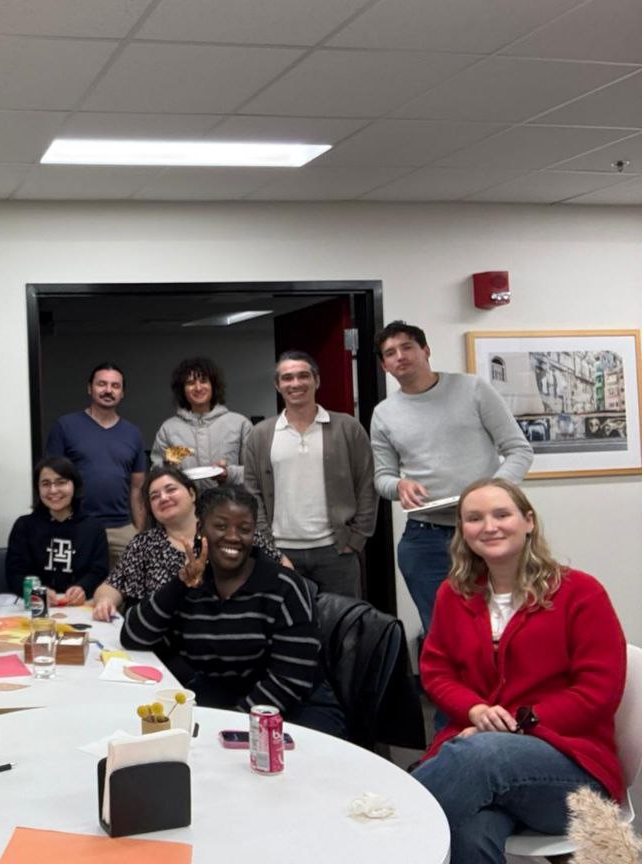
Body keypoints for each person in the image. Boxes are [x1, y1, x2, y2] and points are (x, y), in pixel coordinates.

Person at [411, 479, 626, 864]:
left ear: (528, 521)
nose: (489, 526)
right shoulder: (453, 594)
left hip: (572, 771)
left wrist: (515, 724)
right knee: (470, 832)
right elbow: (438, 671)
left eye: (501, 514)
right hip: (480, 761)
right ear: (463, 532)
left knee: (480, 754)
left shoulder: (581, 592)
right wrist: (476, 710)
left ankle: (381, 831)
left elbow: (599, 691)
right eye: (474, 518)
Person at [121, 485, 345, 736]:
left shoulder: (284, 587)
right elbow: (133, 636)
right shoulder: (192, 586)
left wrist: (234, 728)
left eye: (244, 529)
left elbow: (289, 680)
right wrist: (180, 583)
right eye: (220, 526)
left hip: (294, 709)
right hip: (221, 702)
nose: (233, 536)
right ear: (200, 530)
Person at [370, 320, 533, 636]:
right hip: (425, 538)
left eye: (407, 347)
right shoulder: (384, 413)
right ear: (384, 365)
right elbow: (383, 478)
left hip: (487, 532)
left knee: (503, 627)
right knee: (445, 634)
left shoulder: (472, 389)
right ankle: (451, 688)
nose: (400, 356)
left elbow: (519, 451)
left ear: (425, 351)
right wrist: (400, 485)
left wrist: (492, 494)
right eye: (390, 353)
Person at [242, 350, 377, 598]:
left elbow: (367, 484)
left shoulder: (347, 428)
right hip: (281, 552)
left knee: (344, 629)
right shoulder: (261, 435)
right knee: (288, 629)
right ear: (277, 384)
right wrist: (267, 546)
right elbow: (252, 494)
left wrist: (356, 539)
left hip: (336, 552)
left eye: (303, 376)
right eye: (287, 378)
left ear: (316, 380)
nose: (295, 384)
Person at [90, 465, 284, 622]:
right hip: (161, 644)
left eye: (171, 489)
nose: (163, 498)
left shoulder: (232, 533)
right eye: (154, 497)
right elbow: (112, 586)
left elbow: (283, 569)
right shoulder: (144, 544)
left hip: (234, 635)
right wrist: (105, 602)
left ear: (192, 494)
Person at [45, 363, 148, 568]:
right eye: (102, 384)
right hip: (76, 525)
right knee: (77, 589)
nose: (108, 390)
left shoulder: (133, 434)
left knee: (132, 589)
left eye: (115, 386)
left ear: (122, 393)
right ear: (90, 388)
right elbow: (50, 482)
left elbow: (137, 489)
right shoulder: (65, 427)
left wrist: (138, 533)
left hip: (121, 527)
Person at [5, 456, 109, 607]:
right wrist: (36, 591)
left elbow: (99, 571)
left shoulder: (94, 528)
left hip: (80, 606)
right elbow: (14, 574)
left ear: (75, 485)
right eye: (45, 484)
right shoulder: (24, 526)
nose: (53, 490)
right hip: (35, 606)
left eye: (61, 482)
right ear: (37, 488)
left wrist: (83, 588)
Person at [151, 356, 252, 484]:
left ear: (213, 385)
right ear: (182, 389)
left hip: (229, 502)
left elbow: (254, 472)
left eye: (203, 381)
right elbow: (156, 475)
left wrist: (229, 474)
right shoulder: (168, 429)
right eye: (190, 383)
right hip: (186, 503)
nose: (198, 388)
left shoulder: (240, 424)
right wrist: (168, 468)